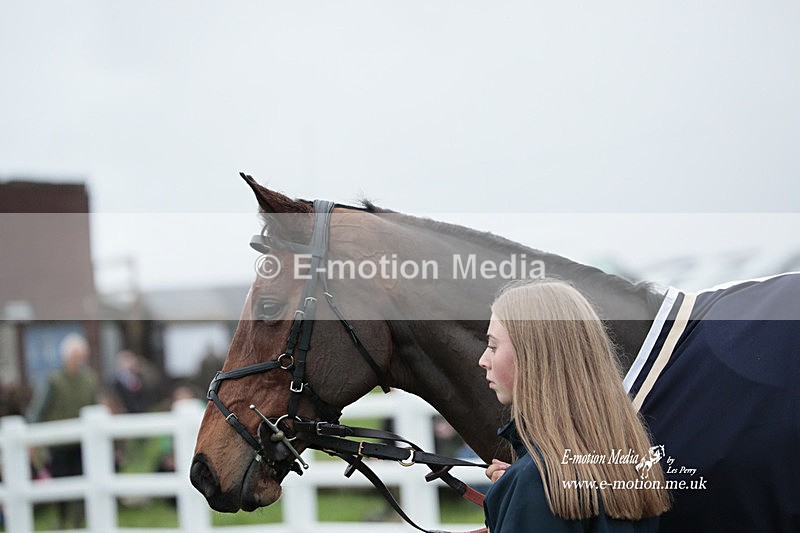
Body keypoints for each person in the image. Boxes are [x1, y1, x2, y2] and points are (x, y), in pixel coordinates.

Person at [478, 279, 671, 532]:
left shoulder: (536, 482)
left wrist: (523, 492)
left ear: (535, 356)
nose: (484, 360)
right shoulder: (631, 462)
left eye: (493, 346)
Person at [29, 333, 99, 529]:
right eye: (76, 356)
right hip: (58, 443)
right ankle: (61, 520)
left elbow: (95, 406)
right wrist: (31, 439)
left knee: (83, 481)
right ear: (66, 357)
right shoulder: (54, 381)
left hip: (82, 443)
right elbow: (38, 410)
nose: (79, 360)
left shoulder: (89, 380)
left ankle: (79, 521)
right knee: (60, 483)